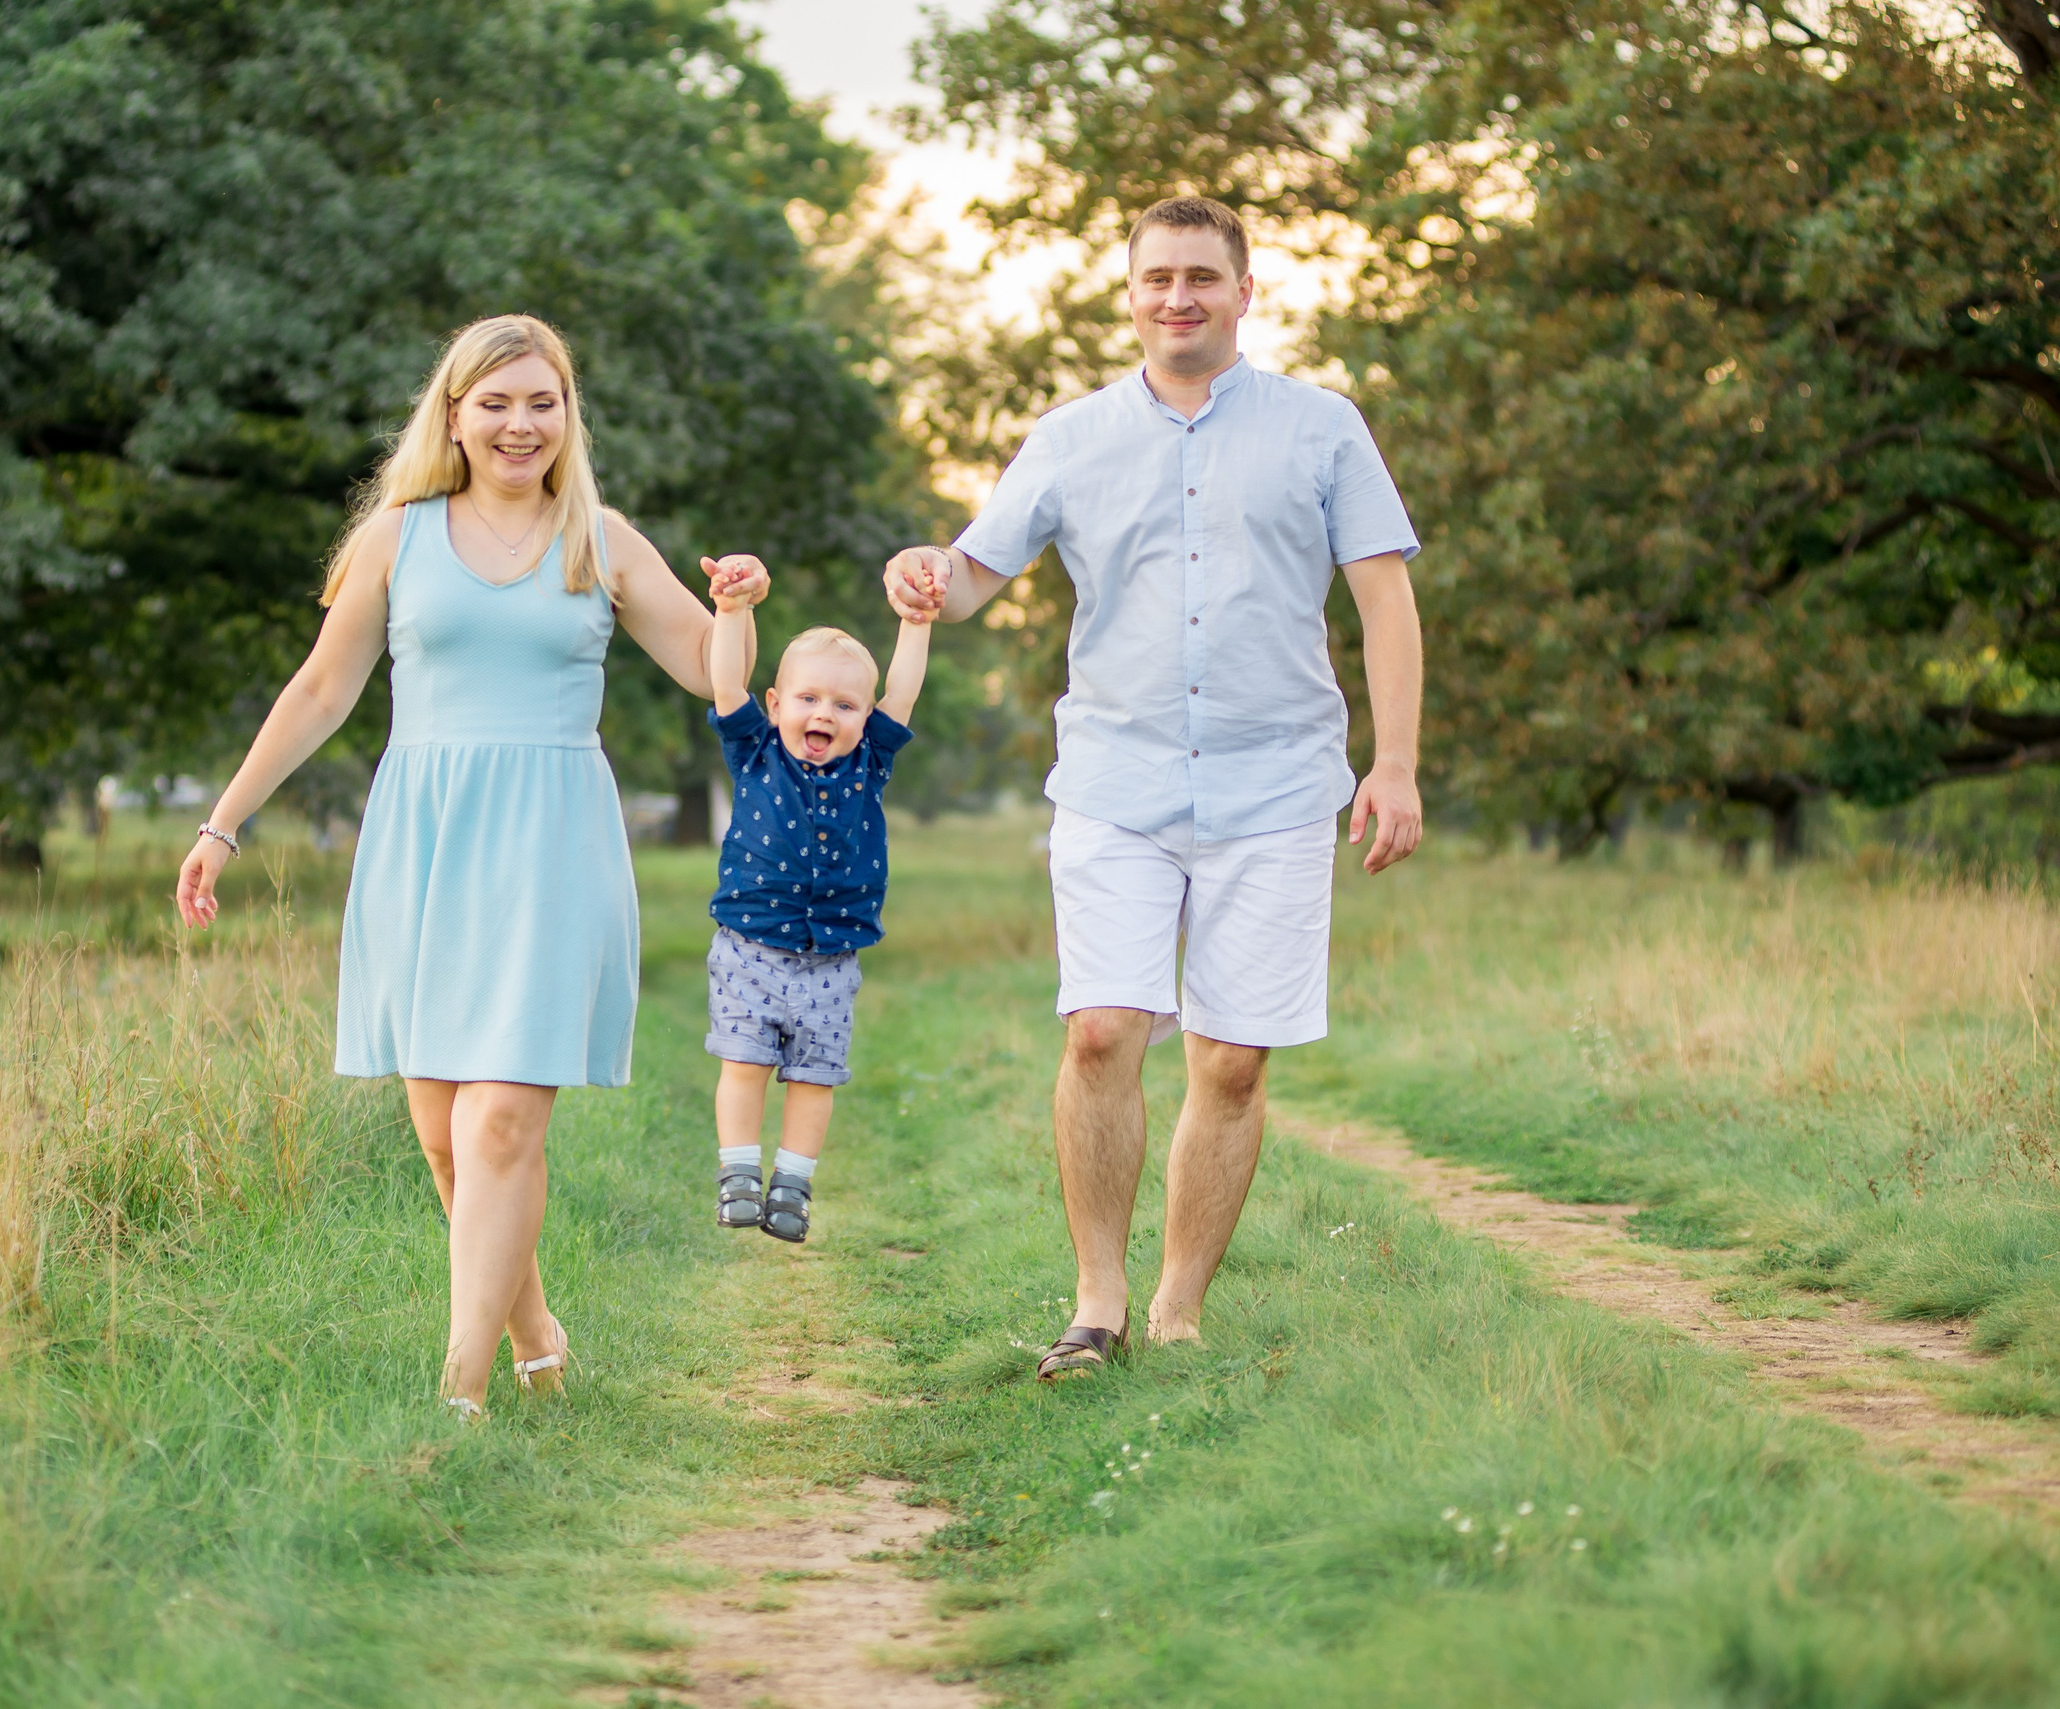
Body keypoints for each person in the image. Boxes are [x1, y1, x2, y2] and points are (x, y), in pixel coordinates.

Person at [175, 314, 769, 1421]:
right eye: (495, 401)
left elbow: (705, 667)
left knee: (502, 1122)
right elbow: (319, 689)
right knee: (447, 1136)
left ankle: (462, 1389)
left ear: (566, 415)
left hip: (553, 841)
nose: (518, 422)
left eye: (541, 401)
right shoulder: (396, 537)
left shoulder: (600, 536)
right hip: (425, 839)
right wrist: (223, 823)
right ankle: (533, 1324)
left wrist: (734, 610)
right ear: (453, 413)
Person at [884, 195, 1425, 1381]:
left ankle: (1178, 1308)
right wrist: (926, 570)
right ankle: (1097, 1302)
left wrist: (1394, 762)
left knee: (1231, 1059)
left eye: (1201, 276)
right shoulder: (1071, 437)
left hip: (1278, 782)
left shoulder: (1321, 428)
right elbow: (972, 575)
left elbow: (1384, 597)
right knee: (1101, 1031)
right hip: (1117, 780)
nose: (1177, 296)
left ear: (1245, 291)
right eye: (1156, 278)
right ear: (1127, 294)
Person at [700, 583, 935, 1245]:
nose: (824, 712)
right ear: (775, 706)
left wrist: (914, 624)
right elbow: (725, 683)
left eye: (844, 703)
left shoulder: (869, 760)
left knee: (814, 1076)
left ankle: (793, 1184)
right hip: (750, 946)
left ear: (864, 718)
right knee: (743, 1062)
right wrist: (731, 610)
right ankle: (739, 1173)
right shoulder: (755, 749)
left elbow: (905, 692)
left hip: (832, 959)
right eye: (807, 698)